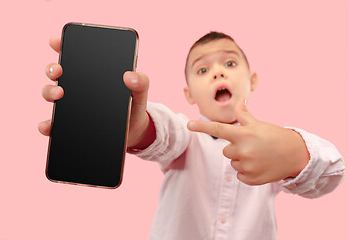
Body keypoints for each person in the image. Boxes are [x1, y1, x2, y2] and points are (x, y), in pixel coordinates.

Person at [39, 32, 345, 240]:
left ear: (252, 80)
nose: (218, 73)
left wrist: (294, 152)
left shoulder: (269, 146)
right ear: (188, 94)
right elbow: (167, 133)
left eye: (229, 63)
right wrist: (140, 128)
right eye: (202, 70)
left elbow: (332, 173)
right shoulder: (187, 136)